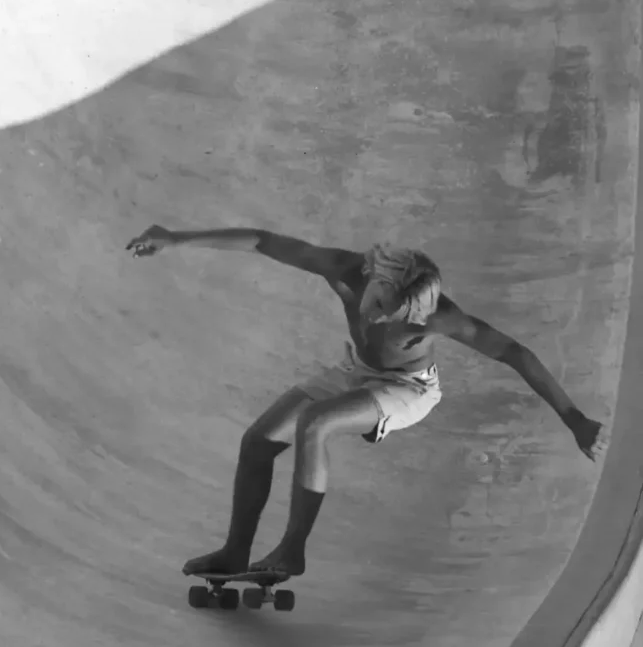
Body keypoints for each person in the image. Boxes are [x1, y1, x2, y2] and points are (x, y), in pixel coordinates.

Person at [126, 224, 607, 579]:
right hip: (356, 370)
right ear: (374, 281)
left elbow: (514, 353)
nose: (378, 320)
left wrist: (574, 418)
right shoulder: (345, 268)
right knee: (257, 442)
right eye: (378, 307)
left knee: (314, 423)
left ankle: (291, 551)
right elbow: (261, 241)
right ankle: (235, 552)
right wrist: (177, 239)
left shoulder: (440, 317)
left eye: (395, 319)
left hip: (407, 389)